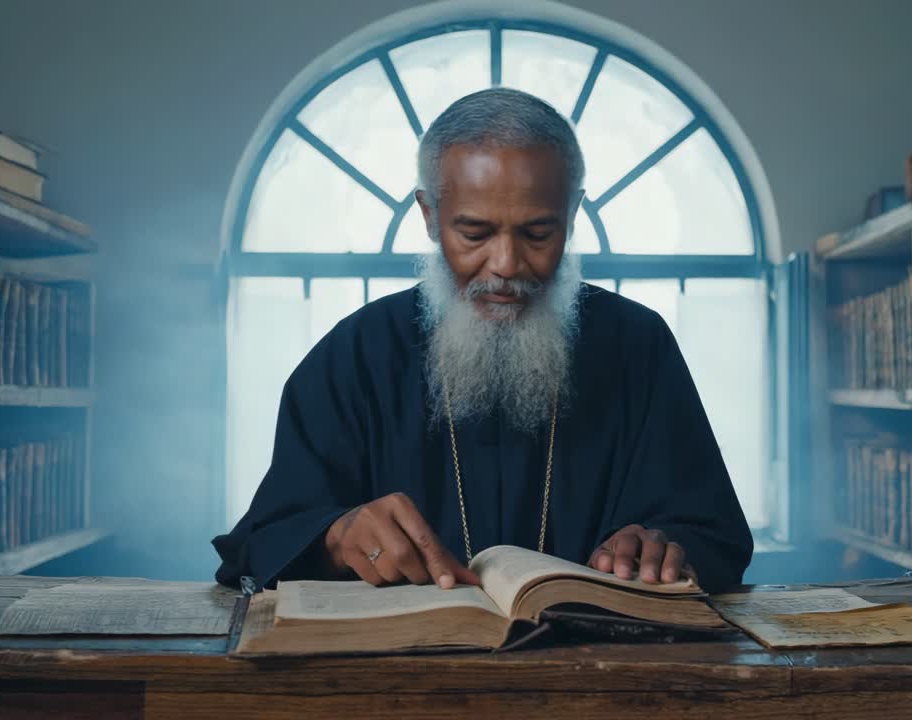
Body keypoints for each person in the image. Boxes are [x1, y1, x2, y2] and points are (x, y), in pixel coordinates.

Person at [213, 87, 753, 593]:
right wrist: (337, 534)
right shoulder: (355, 355)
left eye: (538, 234)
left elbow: (713, 533)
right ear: (429, 216)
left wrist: (666, 548)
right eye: (474, 233)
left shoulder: (639, 346)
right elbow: (263, 540)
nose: (506, 265)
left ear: (572, 215)